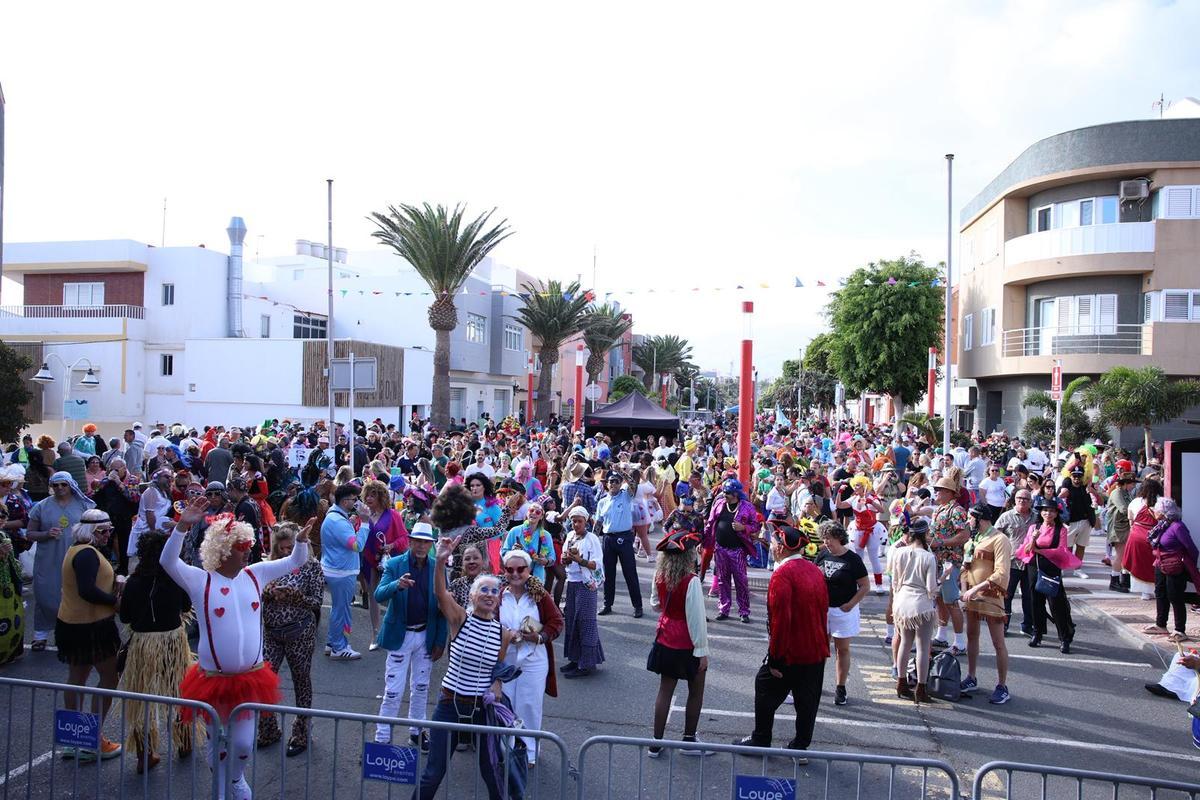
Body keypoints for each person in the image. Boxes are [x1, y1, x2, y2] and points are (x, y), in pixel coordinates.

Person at [162, 501, 312, 800]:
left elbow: (295, 561)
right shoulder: (200, 580)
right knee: (218, 742)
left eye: (248, 545)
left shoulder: (256, 574)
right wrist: (181, 526)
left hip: (251, 678)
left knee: (243, 745)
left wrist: (301, 541)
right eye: (241, 546)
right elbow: (168, 562)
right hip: (213, 680)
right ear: (223, 550)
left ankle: (235, 778)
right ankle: (219, 789)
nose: (248, 551)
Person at [412, 531, 521, 800]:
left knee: (491, 769)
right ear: (472, 596)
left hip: (481, 709)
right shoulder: (460, 619)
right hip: (450, 703)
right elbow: (440, 593)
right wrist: (440, 561)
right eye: (484, 590)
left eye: (494, 591)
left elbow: (498, 666)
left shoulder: (502, 634)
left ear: (498, 600)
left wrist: (497, 684)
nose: (489, 595)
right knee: (434, 772)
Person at [734, 523, 830, 759]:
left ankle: (761, 739)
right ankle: (800, 746)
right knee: (807, 699)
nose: (771, 546)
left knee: (764, 685)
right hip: (816, 648)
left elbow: (780, 620)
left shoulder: (782, 574)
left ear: (781, 548)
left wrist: (775, 658)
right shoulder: (814, 570)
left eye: (774, 542)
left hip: (792, 650)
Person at [118, 532, 195, 772]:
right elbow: (186, 606)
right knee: (179, 693)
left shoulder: (133, 583)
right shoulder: (175, 579)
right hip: (172, 642)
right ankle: (184, 743)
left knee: (141, 700)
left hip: (143, 645)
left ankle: (145, 755)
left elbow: (125, 617)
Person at [56, 508, 125, 761]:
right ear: (89, 531)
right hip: (92, 626)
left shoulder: (78, 550)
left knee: (77, 677)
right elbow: (87, 590)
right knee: (109, 677)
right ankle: (91, 740)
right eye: (102, 531)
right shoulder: (86, 553)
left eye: (109, 531)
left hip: (74, 623)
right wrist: (114, 601)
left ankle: (74, 740)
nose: (107, 535)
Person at [373, 521, 447, 751]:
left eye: (426, 542)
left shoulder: (437, 567)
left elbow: (443, 606)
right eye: (418, 541)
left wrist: (440, 640)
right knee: (393, 690)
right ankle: (382, 737)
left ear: (431, 544)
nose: (422, 546)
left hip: (425, 635)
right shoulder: (395, 564)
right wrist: (397, 585)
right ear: (410, 541)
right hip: (401, 635)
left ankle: (417, 732)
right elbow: (378, 595)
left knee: (421, 687)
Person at [256, 521, 325, 757]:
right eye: (282, 548)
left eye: (290, 548)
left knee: (301, 681)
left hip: (300, 632)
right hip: (271, 633)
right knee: (264, 681)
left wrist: (295, 597)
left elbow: (316, 602)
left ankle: (301, 732)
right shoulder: (269, 564)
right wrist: (267, 592)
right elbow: (253, 592)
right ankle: (268, 729)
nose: (287, 552)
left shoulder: (312, 566)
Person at [646, 528, 711, 757]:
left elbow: (655, 604)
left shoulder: (660, 574)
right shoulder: (691, 581)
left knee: (665, 690)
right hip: (686, 643)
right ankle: (689, 741)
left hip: (665, 637)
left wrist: (670, 610)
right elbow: (696, 620)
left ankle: (656, 743)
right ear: (688, 556)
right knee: (696, 690)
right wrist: (702, 651)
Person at [498, 548, 563, 768]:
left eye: (520, 569)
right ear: (504, 571)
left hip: (534, 659)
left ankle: (530, 752)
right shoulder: (499, 594)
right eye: (510, 569)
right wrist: (504, 635)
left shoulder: (539, 595)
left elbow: (556, 622)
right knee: (504, 705)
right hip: (505, 659)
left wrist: (540, 637)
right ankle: (505, 749)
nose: (515, 574)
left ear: (529, 570)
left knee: (529, 705)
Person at [26, 471, 95, 651]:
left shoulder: (83, 505)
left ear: (71, 485)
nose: (59, 488)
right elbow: (30, 533)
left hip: (75, 557)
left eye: (63, 484)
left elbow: (95, 530)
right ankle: (40, 635)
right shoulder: (41, 506)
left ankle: (73, 633)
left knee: (74, 594)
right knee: (45, 595)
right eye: (55, 485)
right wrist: (46, 534)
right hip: (48, 559)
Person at [960, 504, 1013, 704]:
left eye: (970, 517)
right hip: (971, 597)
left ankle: (1002, 686)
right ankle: (971, 677)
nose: (968, 521)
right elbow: (965, 568)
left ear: (980, 518)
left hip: (991, 596)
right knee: (971, 636)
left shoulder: (1000, 539)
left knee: (998, 642)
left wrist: (976, 589)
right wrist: (964, 590)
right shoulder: (972, 540)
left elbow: (1001, 572)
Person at [814, 521, 869, 707]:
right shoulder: (822, 555)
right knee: (820, 649)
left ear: (839, 537)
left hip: (843, 611)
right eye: (824, 538)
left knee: (842, 649)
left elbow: (865, 586)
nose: (826, 542)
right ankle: (816, 682)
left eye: (829, 538)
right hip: (823, 610)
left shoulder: (853, 559)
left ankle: (840, 687)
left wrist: (851, 604)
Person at [1015, 496, 1078, 653]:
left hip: (1051, 568)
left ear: (1056, 514)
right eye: (1045, 510)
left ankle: (1064, 637)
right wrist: (1034, 539)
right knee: (1035, 601)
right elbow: (1027, 549)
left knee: (1056, 604)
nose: (1048, 514)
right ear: (1040, 512)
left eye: (1051, 511)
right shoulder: (1034, 528)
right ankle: (1037, 633)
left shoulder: (1061, 529)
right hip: (1034, 567)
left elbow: (1061, 550)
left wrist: (1041, 551)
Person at [888, 517, 939, 703]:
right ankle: (921, 688)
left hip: (902, 601)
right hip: (921, 604)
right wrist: (943, 579)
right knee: (923, 647)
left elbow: (894, 582)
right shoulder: (928, 557)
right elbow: (931, 588)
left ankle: (901, 683)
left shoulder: (899, 552)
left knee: (904, 643)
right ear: (925, 534)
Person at [360, 479, 409, 650]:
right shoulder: (364, 516)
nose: (369, 498)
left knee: (396, 596)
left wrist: (392, 545)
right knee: (373, 596)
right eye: (367, 495)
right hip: (370, 559)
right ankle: (375, 634)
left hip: (390, 560)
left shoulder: (393, 515)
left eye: (373, 495)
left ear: (381, 497)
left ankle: (397, 631)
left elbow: (404, 538)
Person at [1144, 497, 1200, 643]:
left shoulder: (1177, 527)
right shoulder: (1162, 525)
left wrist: (1188, 566)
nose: (1154, 511)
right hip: (1160, 563)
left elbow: (1192, 549)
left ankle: (1180, 630)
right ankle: (1161, 624)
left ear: (1163, 512)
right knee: (1160, 593)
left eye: (1157, 509)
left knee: (1175, 596)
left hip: (1174, 565)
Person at [705, 478, 761, 623]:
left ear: (736, 494)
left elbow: (756, 525)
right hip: (720, 549)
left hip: (737, 551)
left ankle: (744, 611)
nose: (724, 495)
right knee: (723, 580)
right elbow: (710, 523)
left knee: (741, 581)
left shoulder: (747, 507)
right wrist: (704, 540)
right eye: (724, 492)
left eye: (727, 492)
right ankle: (723, 609)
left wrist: (744, 527)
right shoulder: (719, 504)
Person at [322, 483, 366, 660]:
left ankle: (333, 642)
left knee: (338, 610)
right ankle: (339, 647)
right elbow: (357, 546)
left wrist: (353, 523)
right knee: (342, 611)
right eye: (354, 499)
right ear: (345, 501)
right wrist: (365, 524)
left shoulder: (336, 517)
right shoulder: (338, 521)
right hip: (342, 571)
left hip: (337, 569)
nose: (356, 503)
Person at [560, 505, 604, 678]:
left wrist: (579, 560)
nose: (576, 524)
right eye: (573, 521)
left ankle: (586, 663)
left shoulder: (592, 539)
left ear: (586, 522)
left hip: (586, 583)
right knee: (571, 620)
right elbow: (564, 559)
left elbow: (596, 564)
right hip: (572, 582)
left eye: (579, 521)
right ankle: (575, 658)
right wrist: (566, 559)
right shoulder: (570, 536)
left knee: (585, 622)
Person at [596, 470, 644, 618]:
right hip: (608, 539)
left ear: (620, 483)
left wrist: (622, 472)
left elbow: (633, 485)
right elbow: (598, 523)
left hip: (624, 537)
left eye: (617, 481)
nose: (613, 484)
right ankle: (607, 604)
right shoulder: (602, 502)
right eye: (611, 481)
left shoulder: (626, 496)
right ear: (607, 484)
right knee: (608, 574)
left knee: (630, 573)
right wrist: (592, 540)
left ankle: (637, 606)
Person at [929, 476, 969, 655]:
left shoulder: (957, 510)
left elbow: (964, 536)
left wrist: (940, 542)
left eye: (938, 490)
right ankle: (942, 635)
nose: (936, 492)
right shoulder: (940, 509)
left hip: (950, 561)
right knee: (940, 599)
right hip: (938, 560)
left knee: (951, 601)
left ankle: (959, 643)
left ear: (948, 492)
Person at [994, 489, 1036, 636]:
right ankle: (1004, 625)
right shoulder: (1006, 516)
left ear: (1030, 501)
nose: (1022, 501)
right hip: (1011, 562)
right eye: (1019, 498)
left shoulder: (1037, 517)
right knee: (1007, 595)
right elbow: (995, 536)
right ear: (1015, 500)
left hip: (1030, 562)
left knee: (1029, 596)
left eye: (1026, 498)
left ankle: (1027, 626)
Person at [1125, 478, 1163, 600]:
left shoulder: (1135, 502)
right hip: (1154, 538)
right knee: (1154, 565)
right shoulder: (1161, 502)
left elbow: (1131, 521)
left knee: (1139, 564)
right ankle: (1156, 591)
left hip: (1136, 538)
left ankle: (1144, 593)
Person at [129, 467, 174, 568]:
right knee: (143, 563)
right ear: (157, 477)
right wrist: (154, 533)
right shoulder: (151, 491)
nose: (169, 479)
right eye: (166, 477)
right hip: (147, 530)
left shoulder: (164, 492)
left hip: (159, 530)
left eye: (171, 477)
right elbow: (150, 515)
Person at [501, 502, 555, 583]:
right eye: (531, 510)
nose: (534, 513)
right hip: (516, 576)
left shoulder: (546, 535)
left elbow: (552, 558)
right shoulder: (514, 531)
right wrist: (512, 552)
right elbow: (504, 553)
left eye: (538, 512)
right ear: (527, 513)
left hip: (536, 578)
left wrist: (546, 561)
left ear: (541, 517)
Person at [0, 501, 24, 665]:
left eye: (4, 515)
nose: (2, 518)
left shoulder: (3, 535)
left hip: (8, 586)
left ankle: (9, 653)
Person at [1105, 470, 1135, 593]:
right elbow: (1123, 509)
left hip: (1125, 526)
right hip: (1117, 528)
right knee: (1120, 555)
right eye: (1132, 483)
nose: (1133, 485)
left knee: (1125, 555)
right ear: (1125, 483)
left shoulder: (1126, 493)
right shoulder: (1117, 493)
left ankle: (1124, 579)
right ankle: (1114, 580)